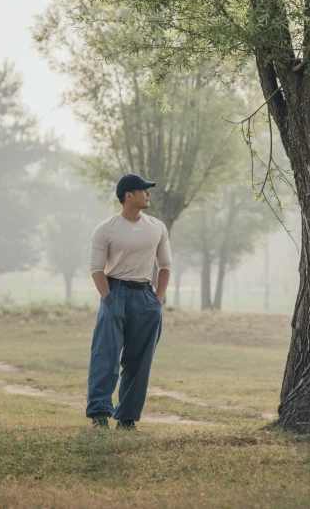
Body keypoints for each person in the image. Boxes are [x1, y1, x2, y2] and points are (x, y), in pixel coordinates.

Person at [86, 173, 172, 430]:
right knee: (106, 356)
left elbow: (165, 266)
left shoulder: (157, 227)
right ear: (129, 196)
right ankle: (100, 413)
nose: (148, 194)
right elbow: (96, 268)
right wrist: (109, 300)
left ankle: (127, 419)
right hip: (115, 293)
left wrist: (157, 300)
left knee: (139, 361)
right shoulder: (106, 229)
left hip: (145, 296)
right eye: (143, 190)